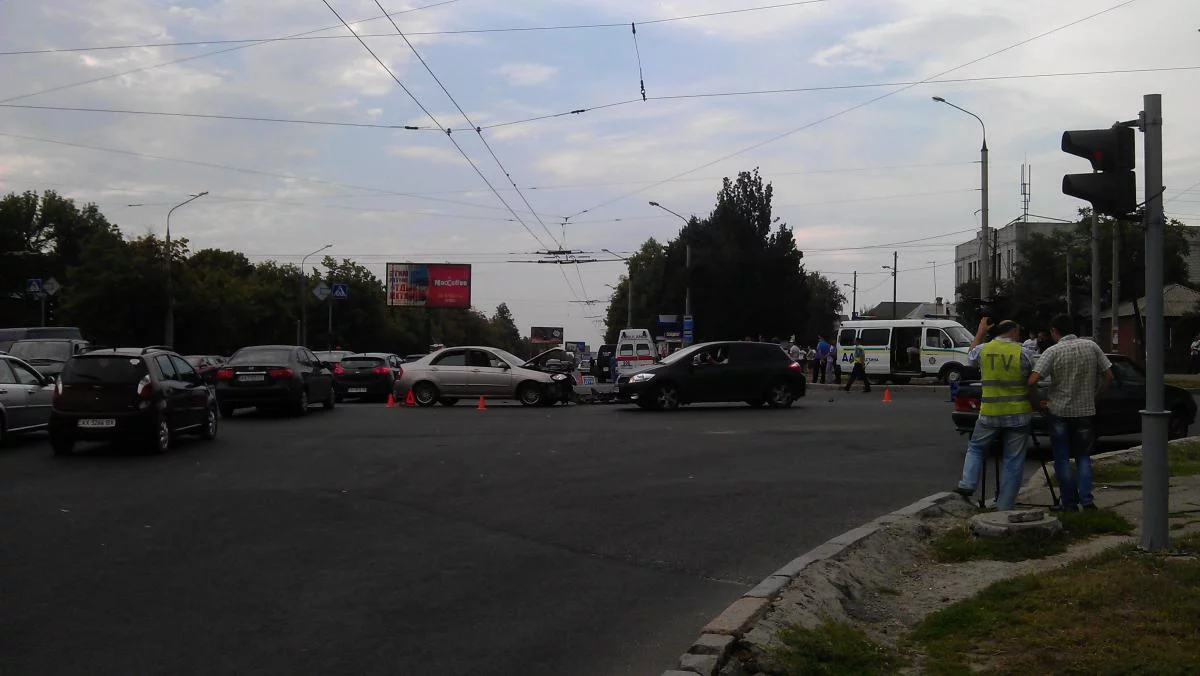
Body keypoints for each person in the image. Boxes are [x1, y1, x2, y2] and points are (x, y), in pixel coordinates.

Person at [1030, 314, 1114, 511]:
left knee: (1062, 458)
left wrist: (1036, 403)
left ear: (1054, 331)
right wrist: (1095, 397)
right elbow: (1109, 376)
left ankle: (1069, 503)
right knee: (1083, 456)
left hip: (1059, 411)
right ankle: (1087, 500)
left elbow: (1032, 381)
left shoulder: (1053, 351)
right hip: (1085, 410)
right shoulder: (1092, 347)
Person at [954, 318, 1038, 511]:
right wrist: (1036, 405)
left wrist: (980, 332)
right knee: (1013, 460)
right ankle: (1004, 506)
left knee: (976, 448)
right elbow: (1030, 383)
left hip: (990, 413)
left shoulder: (984, 349)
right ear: (1014, 331)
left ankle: (967, 483)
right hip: (1018, 414)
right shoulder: (1024, 353)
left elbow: (970, 358)